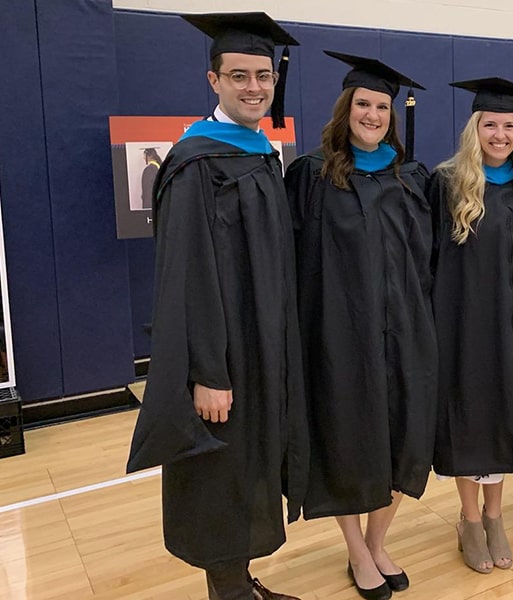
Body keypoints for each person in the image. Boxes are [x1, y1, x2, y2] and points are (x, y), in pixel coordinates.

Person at [126, 12, 307, 600]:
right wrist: (207, 372)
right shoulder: (194, 163)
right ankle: (227, 591)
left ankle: (242, 582)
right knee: (221, 474)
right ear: (214, 81)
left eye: (263, 76)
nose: (254, 87)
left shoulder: (259, 153)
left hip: (260, 346)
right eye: (239, 76)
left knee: (248, 466)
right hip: (223, 357)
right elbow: (187, 279)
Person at [284, 51, 436, 600]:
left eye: (381, 106)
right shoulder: (310, 176)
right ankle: (355, 550)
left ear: (393, 115)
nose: (372, 114)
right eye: (363, 104)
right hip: (339, 337)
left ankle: (376, 541)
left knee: (403, 440)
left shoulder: (413, 177)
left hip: (408, 335)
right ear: (346, 109)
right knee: (347, 441)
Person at [428, 78, 513, 574]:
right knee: (470, 418)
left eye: (508, 126)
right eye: (490, 125)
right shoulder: (446, 183)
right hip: (463, 326)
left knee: (506, 416)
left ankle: (496, 517)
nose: (500, 135)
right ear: (474, 130)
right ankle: (470, 520)